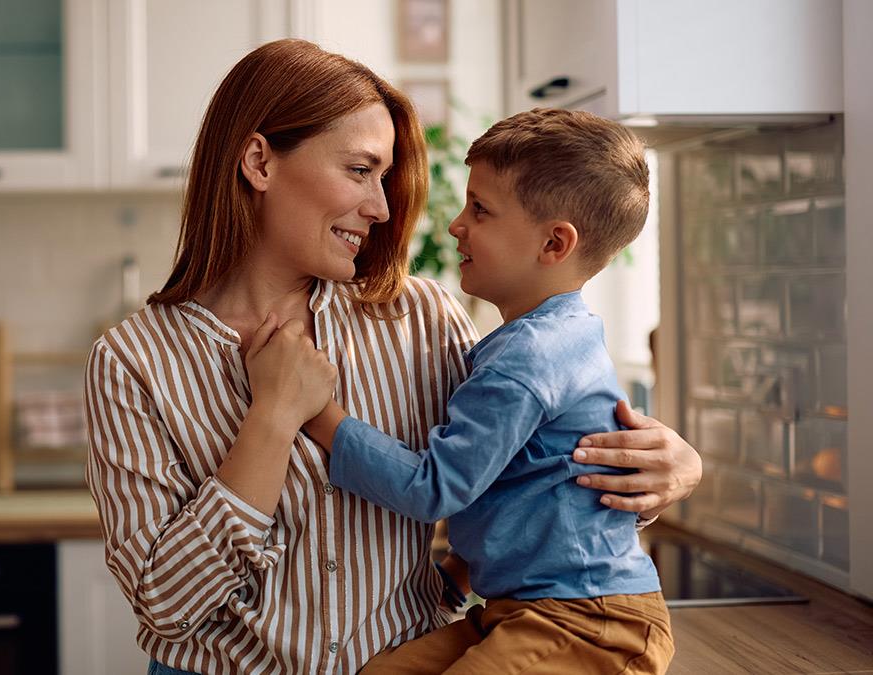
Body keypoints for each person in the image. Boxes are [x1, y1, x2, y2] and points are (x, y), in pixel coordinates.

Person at [84, 39, 701, 675]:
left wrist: (667, 472)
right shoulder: (134, 360)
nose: (381, 208)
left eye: (384, 178)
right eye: (359, 171)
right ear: (259, 161)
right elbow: (164, 603)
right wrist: (272, 418)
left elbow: (527, 463)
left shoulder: (423, 320)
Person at [296, 108, 674, 673]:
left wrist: (315, 411)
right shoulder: (541, 340)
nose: (456, 224)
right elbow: (527, 486)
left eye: (481, 209)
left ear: (554, 244)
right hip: (521, 609)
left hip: (589, 622)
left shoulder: (530, 357)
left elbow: (434, 488)